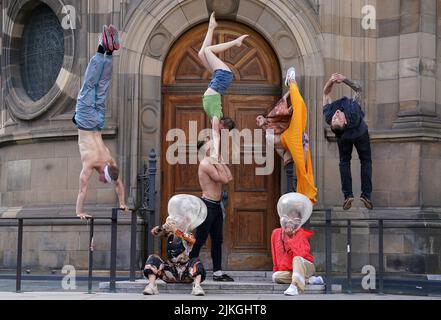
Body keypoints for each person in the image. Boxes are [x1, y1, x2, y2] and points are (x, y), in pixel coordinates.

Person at [72, 25, 128, 219]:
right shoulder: (91, 163)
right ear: (105, 173)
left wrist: (123, 203)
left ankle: (108, 52)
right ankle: (102, 46)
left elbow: (119, 184)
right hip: (87, 121)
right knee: (90, 84)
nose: (103, 181)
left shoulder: (110, 160)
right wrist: (79, 211)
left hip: (97, 122)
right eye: (105, 180)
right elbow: (82, 190)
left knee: (102, 87)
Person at [265, 67, 317, 204]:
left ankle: (291, 82)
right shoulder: (275, 136)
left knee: (300, 108)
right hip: (291, 138)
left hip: (292, 138)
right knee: (300, 107)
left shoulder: (276, 132)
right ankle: (291, 81)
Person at [323, 73, 373, 210]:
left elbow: (326, 93)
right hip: (361, 134)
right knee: (366, 161)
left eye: (335, 118)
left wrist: (331, 81)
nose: (336, 115)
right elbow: (359, 90)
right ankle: (366, 195)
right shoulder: (353, 112)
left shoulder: (328, 115)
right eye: (337, 118)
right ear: (344, 120)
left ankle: (348, 195)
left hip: (344, 137)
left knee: (344, 162)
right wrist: (344, 80)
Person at [198, 12, 243, 162]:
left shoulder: (214, 118)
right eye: (222, 129)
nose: (219, 130)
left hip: (217, 80)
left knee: (201, 54)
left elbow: (215, 135)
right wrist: (215, 155)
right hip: (223, 76)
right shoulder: (217, 115)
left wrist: (214, 152)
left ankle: (211, 27)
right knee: (208, 51)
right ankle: (236, 42)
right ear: (222, 125)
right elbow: (216, 135)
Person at [188, 139, 234, 282]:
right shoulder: (205, 164)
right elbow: (223, 179)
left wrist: (220, 160)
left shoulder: (213, 162)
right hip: (206, 205)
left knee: (217, 240)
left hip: (217, 205)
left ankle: (218, 273)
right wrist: (219, 161)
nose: (214, 147)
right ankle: (189, 269)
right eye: (210, 146)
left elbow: (230, 177)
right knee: (200, 239)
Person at [271, 193, 323, 296]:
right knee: (275, 276)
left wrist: (291, 238)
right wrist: (277, 269)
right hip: (289, 270)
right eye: (290, 216)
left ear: (298, 221)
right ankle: (309, 280)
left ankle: (294, 286)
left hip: (305, 266)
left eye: (294, 218)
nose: (291, 220)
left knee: (297, 259)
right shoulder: (276, 233)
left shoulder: (301, 233)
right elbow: (275, 254)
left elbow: (300, 254)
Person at [143, 217, 206, 296]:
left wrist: (176, 230)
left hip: (186, 274)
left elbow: (192, 240)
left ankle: (196, 286)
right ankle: (151, 286)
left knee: (196, 261)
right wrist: (161, 227)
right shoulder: (169, 234)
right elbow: (154, 232)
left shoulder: (187, 234)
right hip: (170, 272)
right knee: (152, 258)